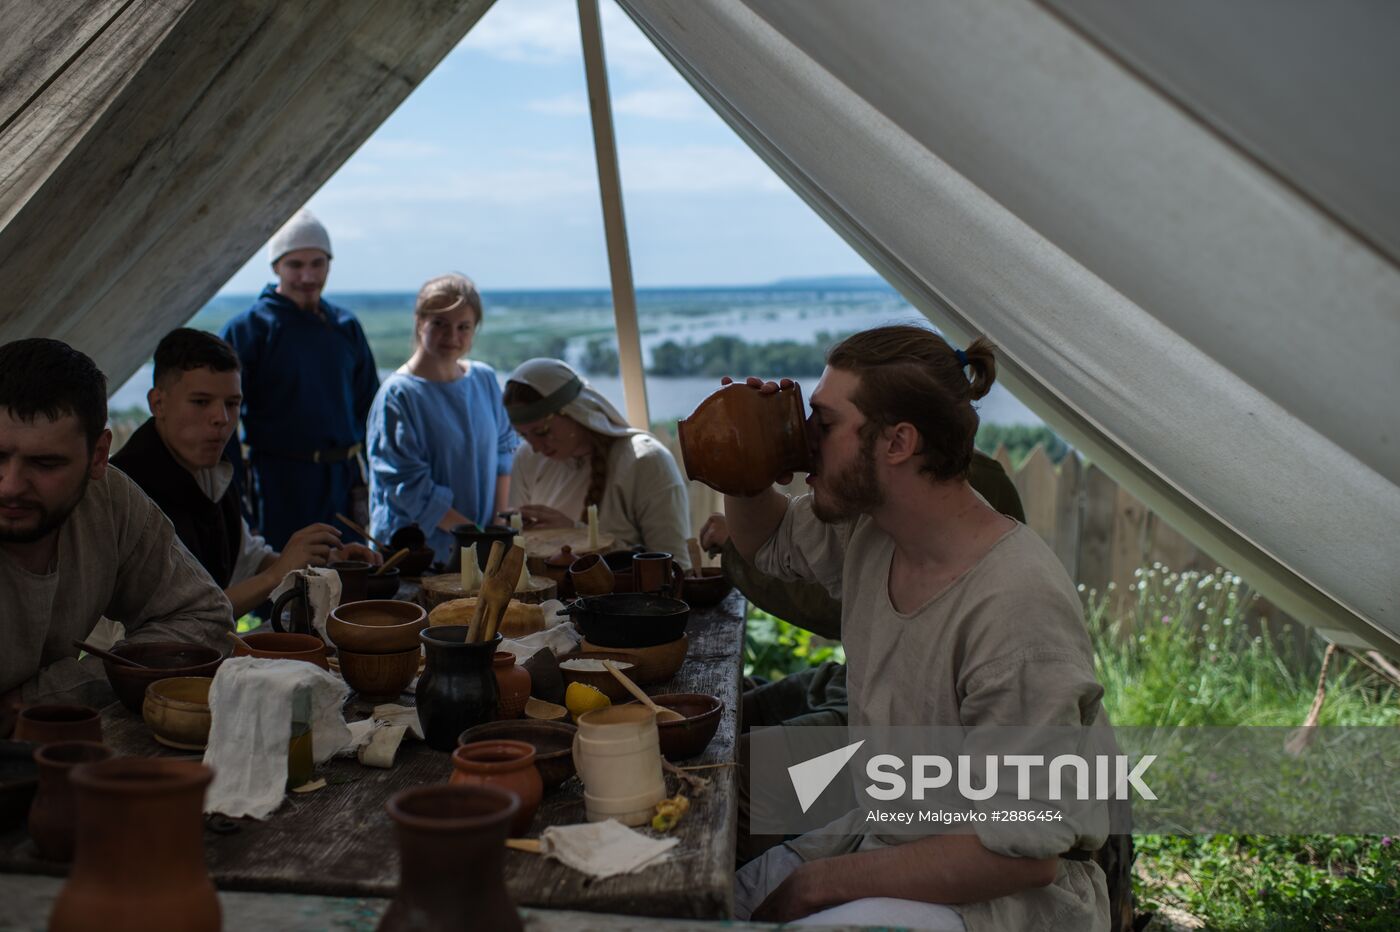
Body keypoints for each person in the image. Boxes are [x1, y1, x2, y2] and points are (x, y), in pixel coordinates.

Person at [724, 325, 1109, 930]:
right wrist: (745, 462)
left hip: (1003, 897)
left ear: (897, 442)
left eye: (822, 425)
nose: (803, 443)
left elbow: (1025, 851)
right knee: (704, 907)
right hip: (897, 837)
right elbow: (767, 543)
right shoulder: (874, 532)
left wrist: (816, 884)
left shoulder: (1015, 608)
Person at [701, 449, 1027, 864]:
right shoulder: (890, 487)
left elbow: (825, 604)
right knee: (726, 718)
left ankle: (717, 898)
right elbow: (780, 543)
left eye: (830, 421)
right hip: (858, 690)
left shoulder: (973, 486)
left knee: (745, 770)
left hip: (911, 740)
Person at [0, 338, 233, 734]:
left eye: (45, 463)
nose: (10, 486)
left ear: (97, 456)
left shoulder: (109, 499)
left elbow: (204, 618)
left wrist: (45, 697)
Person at [111, 329, 380, 618]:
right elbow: (178, 617)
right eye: (201, 402)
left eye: (232, 403)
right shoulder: (124, 493)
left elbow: (249, 559)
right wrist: (274, 575)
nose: (222, 419)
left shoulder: (211, 471)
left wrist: (323, 560)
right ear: (157, 403)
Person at [220, 208, 379, 550]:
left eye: (317, 263)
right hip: (281, 484)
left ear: (329, 264)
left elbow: (371, 410)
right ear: (276, 266)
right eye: (295, 264)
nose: (307, 275)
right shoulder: (248, 330)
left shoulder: (345, 326)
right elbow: (223, 419)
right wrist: (233, 496)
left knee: (349, 581)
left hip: (344, 481)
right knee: (285, 587)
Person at [366, 274, 517, 561]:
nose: (452, 337)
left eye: (464, 327)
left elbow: (504, 450)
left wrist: (496, 527)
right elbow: (409, 487)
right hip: (416, 555)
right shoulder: (399, 395)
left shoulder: (483, 379)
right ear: (420, 321)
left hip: (479, 548)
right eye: (440, 324)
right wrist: (475, 537)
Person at [503, 358, 691, 567]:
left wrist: (576, 536)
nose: (536, 447)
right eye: (524, 435)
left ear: (575, 411)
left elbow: (676, 568)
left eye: (542, 432)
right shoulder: (528, 457)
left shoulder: (646, 461)